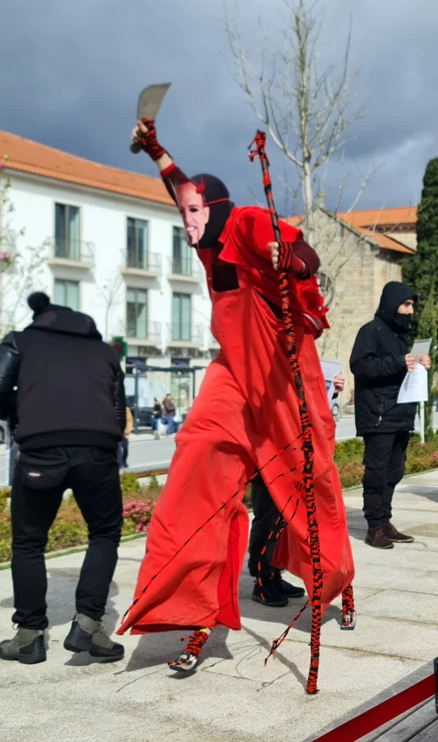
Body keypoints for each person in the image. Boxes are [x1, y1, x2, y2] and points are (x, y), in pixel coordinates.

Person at [119, 118, 354, 673]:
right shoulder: (205, 243)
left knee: (310, 482)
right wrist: (155, 149)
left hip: (284, 374)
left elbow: (307, 255)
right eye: (182, 212)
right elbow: (181, 189)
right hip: (232, 373)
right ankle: (196, 612)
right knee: (195, 466)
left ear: (217, 208)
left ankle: (337, 580)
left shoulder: (247, 221)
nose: (185, 219)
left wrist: (289, 260)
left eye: (194, 211)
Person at [0, 291, 127, 666]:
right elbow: (117, 409)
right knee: (104, 533)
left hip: (40, 451)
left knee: (28, 544)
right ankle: (89, 624)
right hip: (97, 452)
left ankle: (29, 636)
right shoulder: (105, 351)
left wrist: (19, 411)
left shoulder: (21, 341)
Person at [248, 373, 346, 607]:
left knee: (286, 519)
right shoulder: (264, 364)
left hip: (296, 450)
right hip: (269, 449)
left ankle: (274, 573)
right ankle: (261, 578)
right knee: (268, 516)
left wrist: (329, 390)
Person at [350, 281, 430, 549]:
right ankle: (373, 527)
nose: (410, 311)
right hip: (379, 415)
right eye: (406, 304)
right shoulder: (371, 331)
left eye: (412, 306)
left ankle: (385, 521)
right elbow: (359, 365)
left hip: (400, 414)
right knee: (376, 471)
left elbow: (401, 369)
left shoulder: (399, 334)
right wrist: (399, 362)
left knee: (394, 470)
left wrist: (420, 364)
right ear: (392, 303)